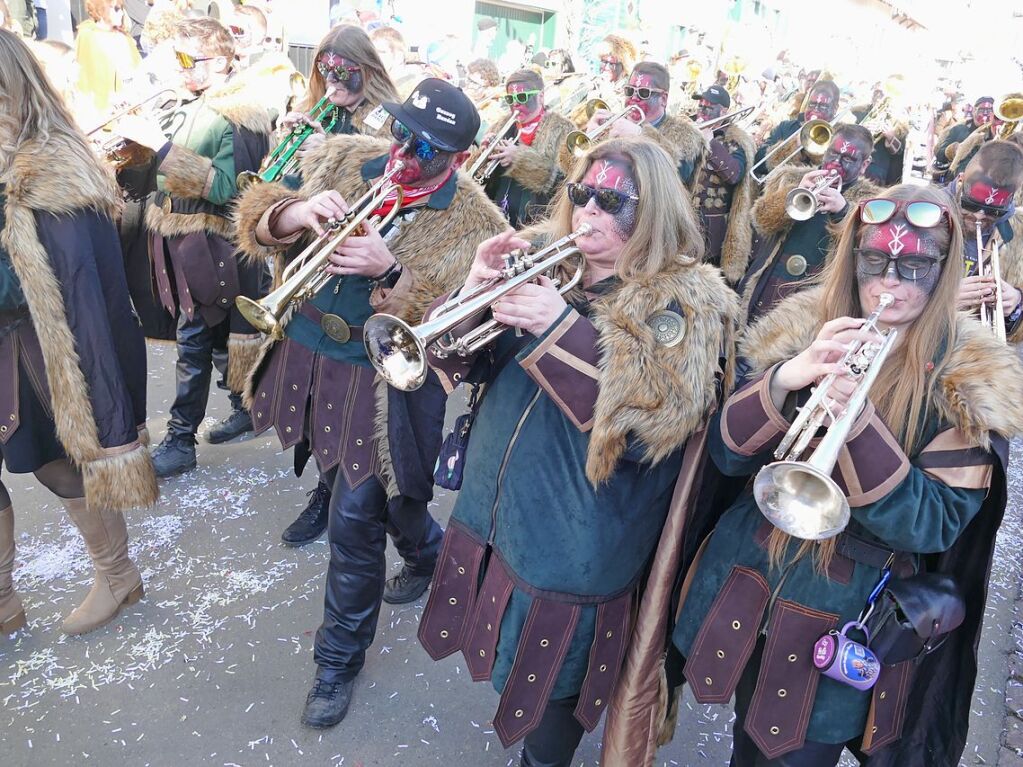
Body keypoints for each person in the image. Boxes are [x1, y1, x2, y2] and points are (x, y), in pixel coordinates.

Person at [663, 183, 1023, 767]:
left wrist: (858, 428)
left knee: (793, 753)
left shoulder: (968, 378)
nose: (889, 283)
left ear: (943, 270)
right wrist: (785, 378)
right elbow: (725, 459)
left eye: (914, 266)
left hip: (843, 608)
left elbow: (935, 526)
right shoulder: (806, 326)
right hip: (747, 579)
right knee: (744, 745)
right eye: (875, 261)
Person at [418, 136, 737, 767]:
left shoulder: (684, 298)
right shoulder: (541, 257)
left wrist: (559, 329)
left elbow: (656, 425)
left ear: (652, 213)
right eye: (581, 193)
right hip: (501, 501)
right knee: (507, 644)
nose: (588, 210)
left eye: (611, 200)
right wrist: (471, 291)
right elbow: (453, 363)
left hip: (581, 530)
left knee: (555, 675)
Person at [233, 78, 507, 728]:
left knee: (353, 521)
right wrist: (293, 214)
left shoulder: (475, 221)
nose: (406, 154)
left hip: (380, 386)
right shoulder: (341, 154)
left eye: (428, 149)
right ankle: (426, 548)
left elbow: (462, 333)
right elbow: (258, 207)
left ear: (459, 157)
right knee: (354, 486)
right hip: (310, 358)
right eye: (402, 133)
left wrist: (392, 273)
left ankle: (336, 661)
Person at [0, 29, 156, 638]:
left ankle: (116, 575)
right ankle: (4, 600)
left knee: (55, 464)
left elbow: (81, 294)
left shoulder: (51, 173)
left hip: (37, 347)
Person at [113, 18, 272, 476]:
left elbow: (230, 188)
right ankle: (245, 405)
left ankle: (181, 439)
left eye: (187, 60)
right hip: (177, 236)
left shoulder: (240, 115)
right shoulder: (187, 104)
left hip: (215, 243)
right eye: (175, 60)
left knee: (193, 339)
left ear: (220, 63)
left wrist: (160, 146)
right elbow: (155, 172)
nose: (178, 71)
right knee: (210, 336)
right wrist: (132, 147)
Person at [739, 123, 880, 328]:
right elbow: (760, 222)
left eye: (848, 159)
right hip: (772, 275)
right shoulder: (791, 177)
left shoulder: (870, 202)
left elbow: (869, 252)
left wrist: (844, 211)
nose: (836, 163)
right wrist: (793, 192)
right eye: (832, 154)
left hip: (814, 289)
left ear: (865, 165)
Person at [474, 68, 573, 227]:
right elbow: (476, 176)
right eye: (510, 98)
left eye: (522, 97)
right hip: (493, 219)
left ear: (540, 96)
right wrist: (482, 154)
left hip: (535, 223)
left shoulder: (563, 129)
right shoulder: (500, 125)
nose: (515, 104)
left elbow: (566, 183)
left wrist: (521, 160)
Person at [949, 140, 1023, 341]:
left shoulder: (1018, 229)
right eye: (971, 204)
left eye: (993, 211)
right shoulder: (925, 212)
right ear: (962, 180)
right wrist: (943, 299)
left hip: (978, 355)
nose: (980, 216)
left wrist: (1017, 301)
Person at [595, 61, 706, 190]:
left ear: (663, 99)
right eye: (629, 90)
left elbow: (678, 178)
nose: (634, 98)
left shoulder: (686, 136)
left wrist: (641, 135)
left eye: (643, 93)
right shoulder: (617, 124)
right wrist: (594, 146)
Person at [691, 84, 756, 283]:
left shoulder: (735, 140)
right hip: (686, 217)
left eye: (708, 107)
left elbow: (735, 174)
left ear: (723, 111)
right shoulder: (691, 131)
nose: (702, 111)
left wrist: (711, 142)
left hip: (713, 227)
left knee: (706, 278)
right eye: (700, 106)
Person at [74, 0, 142, 124]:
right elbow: (86, 82)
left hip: (132, 106)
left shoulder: (124, 37)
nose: (121, 13)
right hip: (105, 115)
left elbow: (138, 71)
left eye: (121, 9)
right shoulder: (88, 37)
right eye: (116, 9)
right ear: (100, 10)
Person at [755, 78, 841, 173]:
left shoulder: (839, 140)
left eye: (823, 106)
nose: (815, 110)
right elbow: (758, 163)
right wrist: (792, 146)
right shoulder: (786, 127)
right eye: (811, 105)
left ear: (835, 109)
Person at [931, 96, 994, 184]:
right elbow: (940, 155)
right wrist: (953, 150)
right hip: (952, 183)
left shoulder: (995, 134)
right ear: (973, 110)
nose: (985, 114)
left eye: (990, 111)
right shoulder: (959, 129)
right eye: (981, 109)